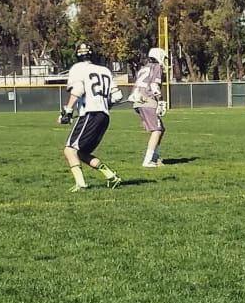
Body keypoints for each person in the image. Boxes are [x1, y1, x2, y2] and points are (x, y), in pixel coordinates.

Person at [59, 42, 121, 192]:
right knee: (81, 153)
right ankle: (111, 176)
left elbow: (78, 89)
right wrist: (106, 104)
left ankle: (81, 184)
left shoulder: (78, 68)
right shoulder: (105, 70)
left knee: (69, 150)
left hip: (89, 113)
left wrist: (67, 110)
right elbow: (117, 96)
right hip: (104, 116)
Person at [128, 47, 168, 167]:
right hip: (147, 100)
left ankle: (155, 157)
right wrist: (160, 100)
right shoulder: (156, 67)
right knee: (156, 130)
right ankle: (148, 160)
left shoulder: (144, 68)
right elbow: (154, 85)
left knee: (161, 129)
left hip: (137, 100)